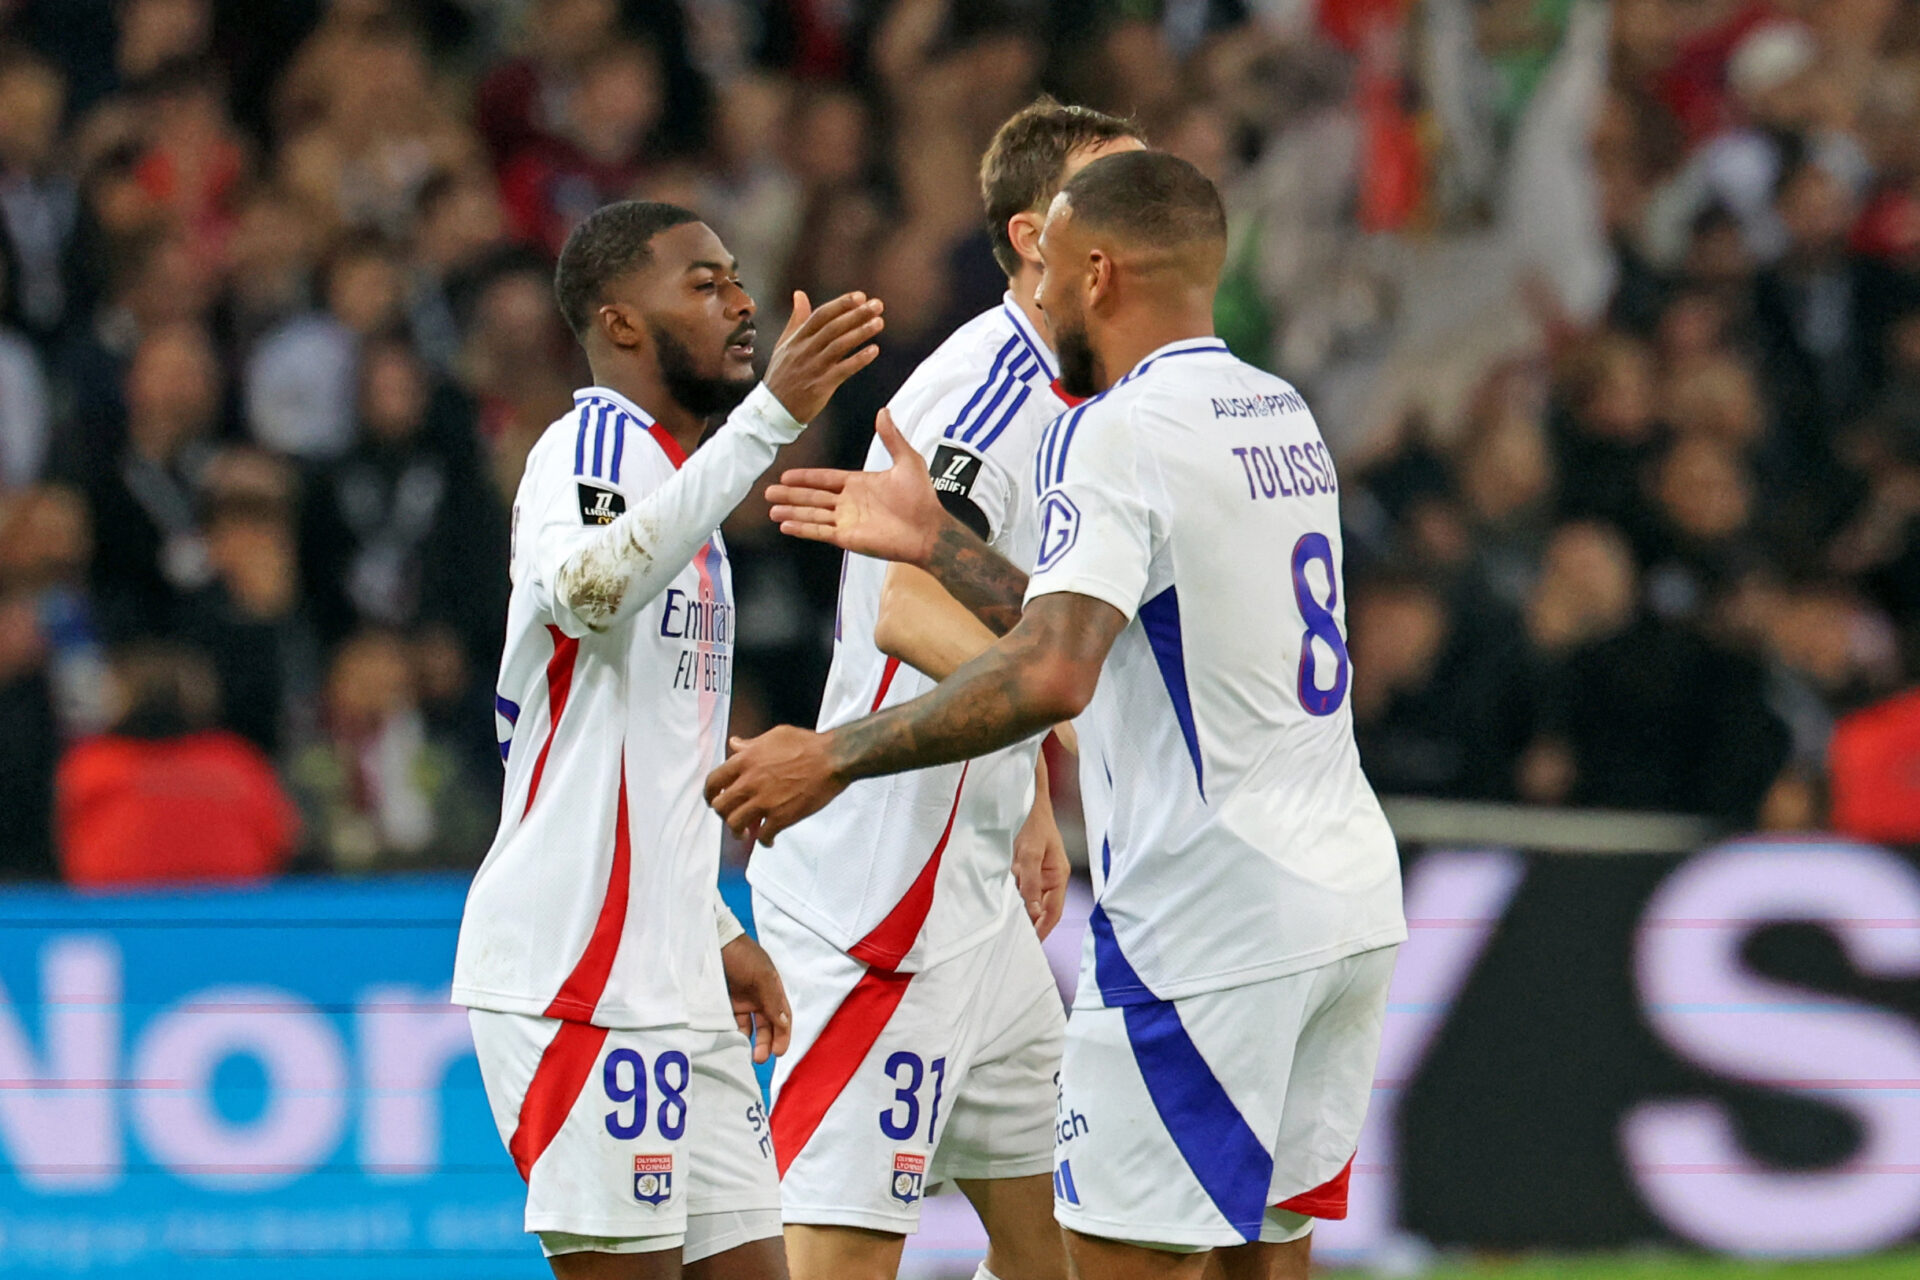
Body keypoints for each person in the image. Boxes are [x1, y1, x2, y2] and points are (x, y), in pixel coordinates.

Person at [707, 152, 1406, 1280]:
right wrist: (939, 540)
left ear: (1095, 269)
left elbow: (1053, 670)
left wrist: (831, 756)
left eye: (1058, 276)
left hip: (1206, 920)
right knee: (1265, 1254)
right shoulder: (1278, 410)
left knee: (1111, 1264)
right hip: (1344, 899)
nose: (1044, 297)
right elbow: (1113, 624)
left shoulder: (1118, 430)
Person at [450, 200, 885, 1280]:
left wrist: (710, 923)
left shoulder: (683, 501)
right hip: (580, 969)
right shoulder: (587, 442)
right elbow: (589, 587)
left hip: (674, 973)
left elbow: (654, 757)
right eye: (701, 282)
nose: (740, 301)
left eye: (738, 276)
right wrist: (770, 419)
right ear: (621, 323)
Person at [743, 99, 1140, 1280]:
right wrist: (1056, 694)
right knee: (841, 1260)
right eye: (1107, 194)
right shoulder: (985, 386)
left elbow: (1000, 601)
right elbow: (905, 604)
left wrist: (1024, 792)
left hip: (974, 902)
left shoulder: (1086, 385)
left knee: (1061, 1249)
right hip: (879, 905)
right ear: (1033, 237)